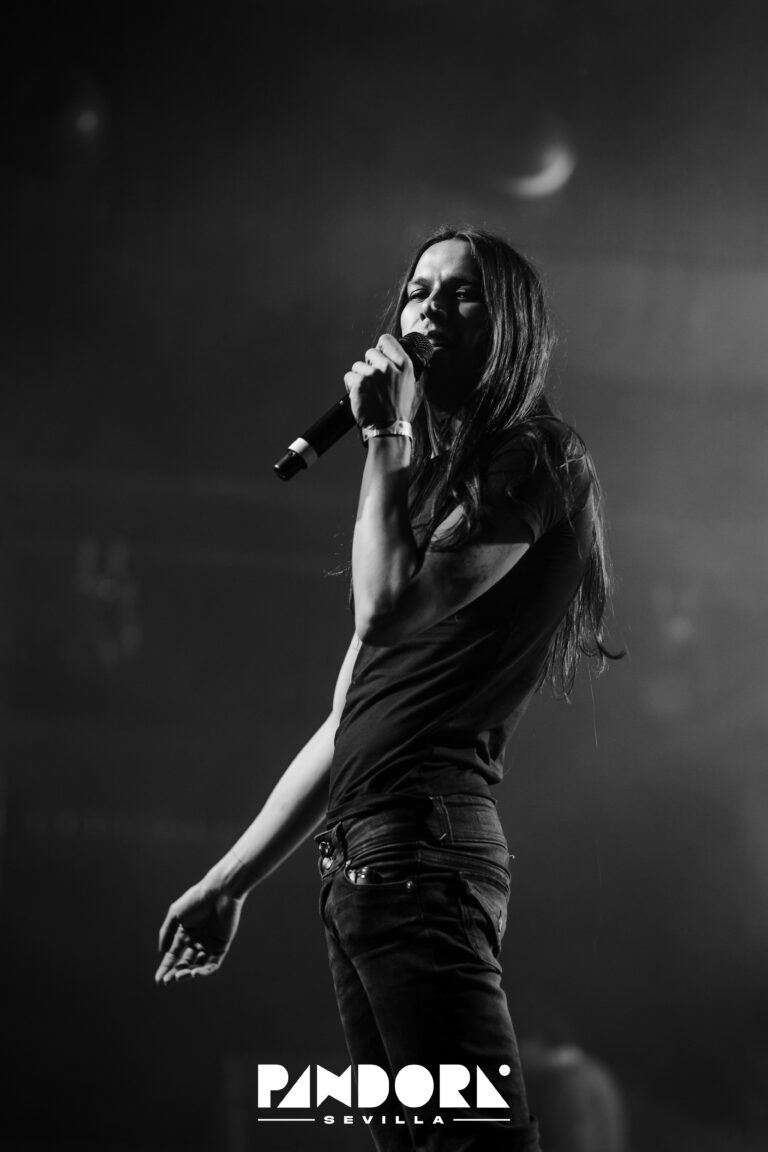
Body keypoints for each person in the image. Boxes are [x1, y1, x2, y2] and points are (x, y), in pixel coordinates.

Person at [155, 227, 617, 1151]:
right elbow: (349, 716)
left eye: (460, 293)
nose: (428, 309)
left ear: (512, 325)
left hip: (421, 851)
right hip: (365, 866)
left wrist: (385, 436)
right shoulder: (432, 490)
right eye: (417, 291)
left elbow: (387, 609)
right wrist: (227, 880)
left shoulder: (537, 455)